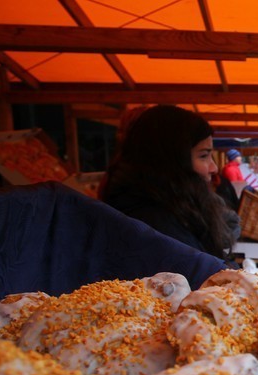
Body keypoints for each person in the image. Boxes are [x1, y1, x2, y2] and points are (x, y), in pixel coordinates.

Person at [102, 105, 239, 260]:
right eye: (203, 156)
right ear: (173, 161)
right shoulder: (156, 225)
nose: (214, 168)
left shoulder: (177, 210)